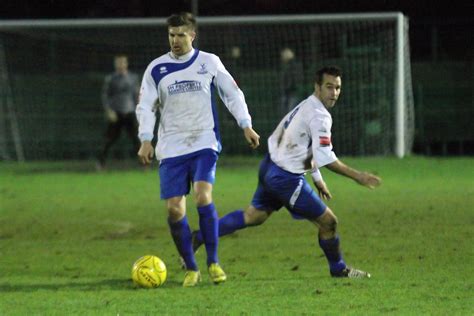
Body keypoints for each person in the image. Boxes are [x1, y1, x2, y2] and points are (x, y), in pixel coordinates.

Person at [192, 66, 381, 278]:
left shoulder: (307, 105)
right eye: (329, 87)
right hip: (286, 178)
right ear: (317, 87)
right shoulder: (320, 116)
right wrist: (359, 177)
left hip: (269, 166)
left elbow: (304, 146)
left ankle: (199, 236)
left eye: (337, 88)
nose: (334, 93)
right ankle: (339, 269)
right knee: (329, 222)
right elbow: (325, 157)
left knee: (252, 217)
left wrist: (317, 179)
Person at [135, 12, 260, 287]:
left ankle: (213, 262)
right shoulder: (157, 68)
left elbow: (232, 93)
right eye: (171, 35)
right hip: (171, 148)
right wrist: (146, 138)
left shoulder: (209, 62)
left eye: (181, 35)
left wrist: (246, 124)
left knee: (203, 197)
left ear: (192, 35)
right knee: (175, 211)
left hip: (204, 141)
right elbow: (145, 106)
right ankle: (192, 267)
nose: (175, 40)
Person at [97, 54, 140, 169]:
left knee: (136, 139)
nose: (121, 65)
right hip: (116, 113)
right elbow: (105, 96)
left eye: (123, 62)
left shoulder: (133, 78)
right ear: (115, 64)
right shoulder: (110, 79)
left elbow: (137, 96)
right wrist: (109, 111)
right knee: (108, 140)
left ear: (126, 64)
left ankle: (144, 163)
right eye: (118, 63)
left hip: (130, 112)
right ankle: (101, 163)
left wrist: (139, 110)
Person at [279, 47, 303, 114]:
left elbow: (295, 79)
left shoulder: (293, 66)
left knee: (290, 112)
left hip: (293, 92)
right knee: (286, 112)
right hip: (287, 92)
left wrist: (288, 86)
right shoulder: (285, 66)